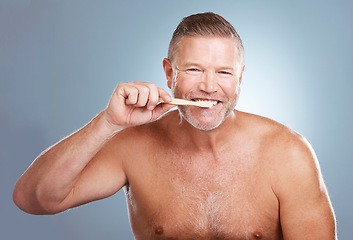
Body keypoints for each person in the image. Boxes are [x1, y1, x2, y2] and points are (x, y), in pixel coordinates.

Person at [13, 12, 336, 239]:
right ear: (169, 73)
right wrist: (107, 123)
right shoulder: (132, 145)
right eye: (194, 69)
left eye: (223, 72)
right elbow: (33, 199)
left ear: (239, 79)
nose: (209, 87)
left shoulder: (287, 154)